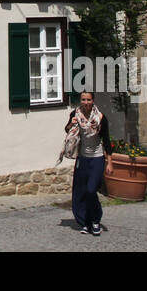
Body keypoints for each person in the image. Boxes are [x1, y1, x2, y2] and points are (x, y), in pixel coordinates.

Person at [60, 91, 111, 236]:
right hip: (82, 158)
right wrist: (72, 123)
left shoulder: (100, 118)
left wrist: (110, 163)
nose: (86, 102)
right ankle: (84, 222)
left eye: (88, 99)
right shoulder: (75, 114)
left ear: (93, 100)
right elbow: (67, 129)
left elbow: (106, 141)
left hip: (97, 157)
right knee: (80, 191)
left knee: (91, 190)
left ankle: (95, 220)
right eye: (83, 99)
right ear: (80, 100)